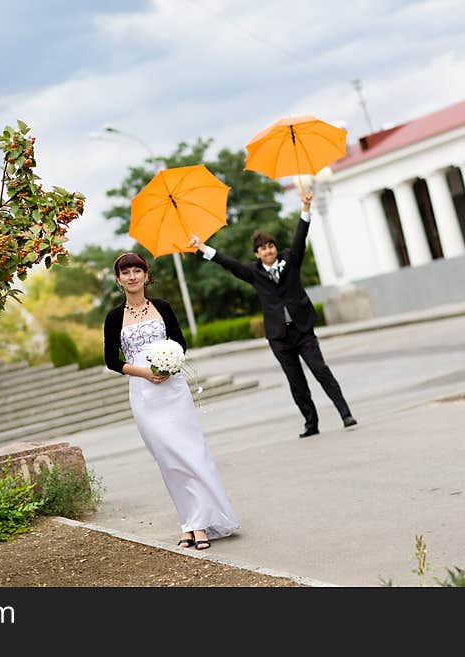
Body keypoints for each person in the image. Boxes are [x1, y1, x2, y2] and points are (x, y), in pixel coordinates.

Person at [188, 189, 357, 438]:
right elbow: (229, 263)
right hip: (279, 337)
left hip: (302, 330)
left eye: (270, 246)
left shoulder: (291, 260)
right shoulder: (253, 273)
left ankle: (345, 414)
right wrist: (202, 247)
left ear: (275, 248)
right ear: (257, 254)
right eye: (262, 249)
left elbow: (300, 236)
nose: (268, 251)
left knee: (321, 370)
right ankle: (311, 424)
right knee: (296, 381)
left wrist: (306, 208)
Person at [103, 252, 239, 550]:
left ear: (146, 275)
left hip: (173, 391)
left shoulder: (162, 307)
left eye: (138, 270)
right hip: (144, 394)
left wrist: (168, 364)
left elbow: (180, 341)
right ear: (118, 279)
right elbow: (112, 360)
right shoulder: (115, 317)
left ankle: (199, 525)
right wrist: (145, 373)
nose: (132, 276)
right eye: (126, 272)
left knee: (191, 453)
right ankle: (189, 520)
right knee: (168, 460)